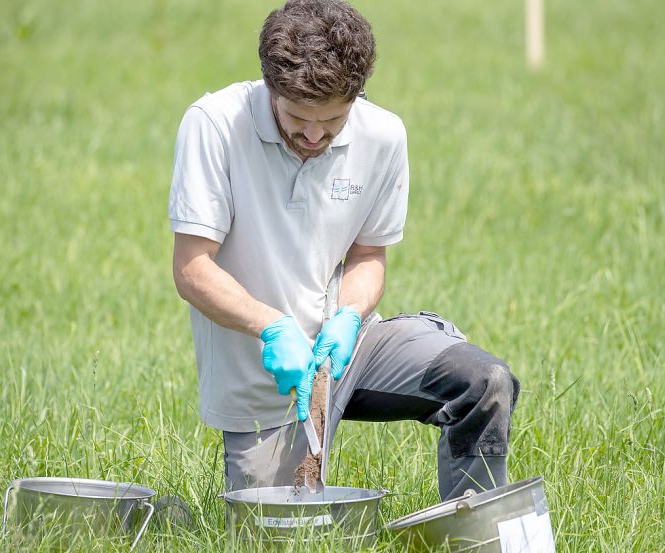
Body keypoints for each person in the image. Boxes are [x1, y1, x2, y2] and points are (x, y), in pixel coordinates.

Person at [169, 0, 519, 501]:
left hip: (349, 349)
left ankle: (475, 532)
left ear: (356, 95)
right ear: (269, 85)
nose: (313, 134)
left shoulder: (383, 136)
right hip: (264, 377)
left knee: (484, 383)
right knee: (274, 533)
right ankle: (157, 516)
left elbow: (367, 257)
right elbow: (191, 269)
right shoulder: (213, 125)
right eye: (296, 116)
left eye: (332, 119)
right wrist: (271, 325)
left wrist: (350, 315)